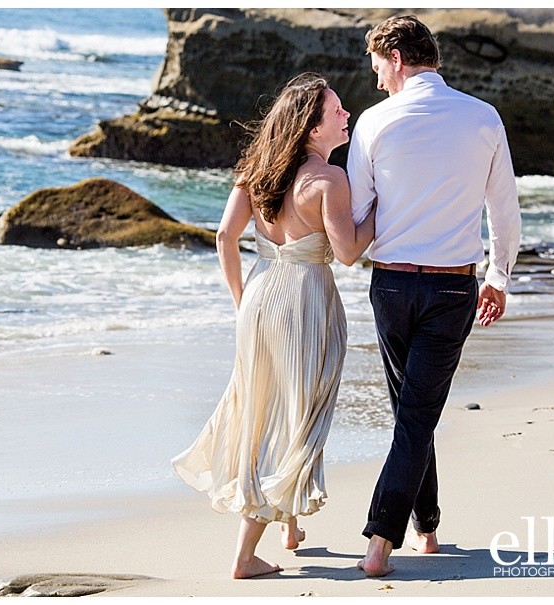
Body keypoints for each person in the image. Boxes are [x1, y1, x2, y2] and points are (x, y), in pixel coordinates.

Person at [172, 73, 376, 579]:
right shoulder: (328, 180)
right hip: (305, 300)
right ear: (311, 129)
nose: (346, 115)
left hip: (261, 296)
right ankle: (244, 554)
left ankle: (287, 527)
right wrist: (383, 213)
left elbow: (224, 236)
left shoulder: (256, 171)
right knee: (296, 416)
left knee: (262, 405)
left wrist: (242, 301)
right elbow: (348, 253)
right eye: (336, 111)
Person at [346, 15, 522, 576]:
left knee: (413, 411)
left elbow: (356, 213)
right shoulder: (483, 117)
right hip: (454, 285)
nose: (376, 82)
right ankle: (421, 530)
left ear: (396, 56)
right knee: (414, 411)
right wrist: (498, 277)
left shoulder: (374, 122)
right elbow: (505, 209)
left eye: (378, 67)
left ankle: (384, 536)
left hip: (392, 284)